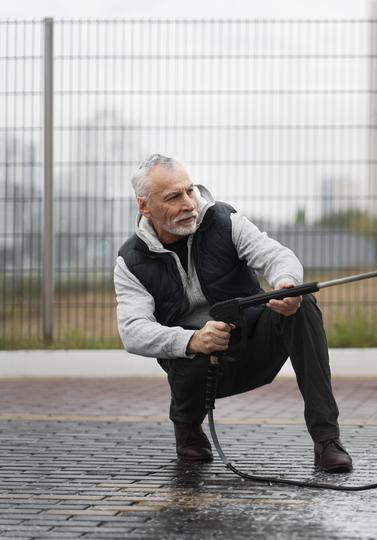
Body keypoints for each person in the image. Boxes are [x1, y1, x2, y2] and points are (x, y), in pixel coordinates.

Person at [113, 154, 352, 472]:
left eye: (189, 190)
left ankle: (327, 440)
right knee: (188, 350)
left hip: (254, 344)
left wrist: (286, 283)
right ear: (144, 206)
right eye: (173, 197)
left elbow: (276, 255)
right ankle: (187, 428)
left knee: (303, 301)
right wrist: (193, 339)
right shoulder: (130, 261)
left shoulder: (225, 221)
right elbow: (132, 331)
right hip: (198, 371)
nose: (189, 204)